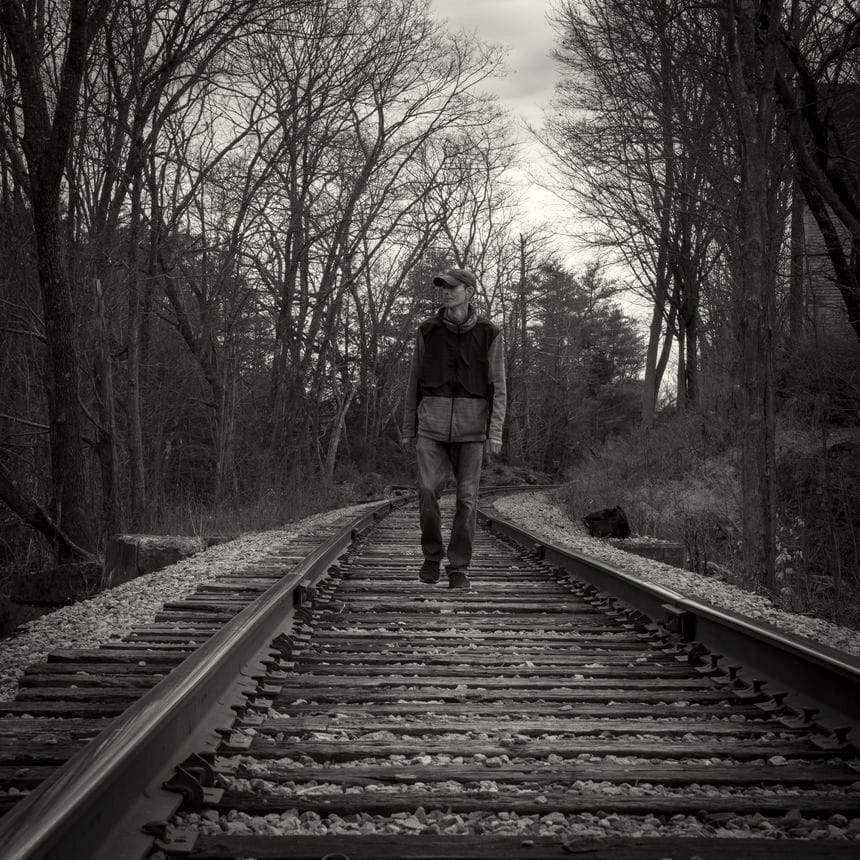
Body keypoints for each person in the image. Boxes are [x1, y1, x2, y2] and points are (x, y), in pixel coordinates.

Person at [402, 267, 506, 589]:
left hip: (473, 431)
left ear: (469, 291)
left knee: (467, 499)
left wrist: (496, 431)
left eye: (453, 288)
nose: (446, 293)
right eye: (442, 288)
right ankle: (432, 557)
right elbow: (413, 383)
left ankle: (458, 566)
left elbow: (499, 386)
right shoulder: (427, 330)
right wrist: (409, 428)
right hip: (430, 428)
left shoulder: (490, 333)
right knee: (428, 491)